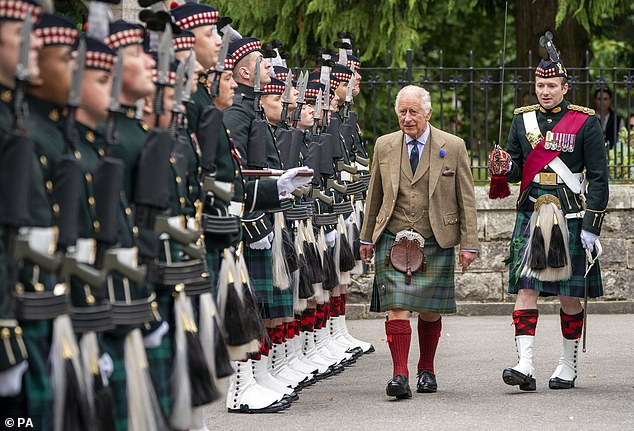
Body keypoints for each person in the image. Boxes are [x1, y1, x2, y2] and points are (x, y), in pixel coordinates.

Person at [496, 45, 608, 392]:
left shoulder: (584, 122)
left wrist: (591, 227)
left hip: (570, 216)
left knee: (568, 297)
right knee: (525, 289)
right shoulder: (522, 120)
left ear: (564, 87)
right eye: (540, 86)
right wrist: (505, 166)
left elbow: (600, 177)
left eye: (551, 86)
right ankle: (525, 365)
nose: (544, 92)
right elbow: (516, 173)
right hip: (532, 214)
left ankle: (567, 364)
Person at [359, 84, 478, 399]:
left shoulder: (452, 146)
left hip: (434, 237)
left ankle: (427, 368)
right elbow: (374, 195)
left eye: (413, 112)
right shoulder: (384, 145)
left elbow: (466, 197)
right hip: (391, 235)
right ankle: (400, 374)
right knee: (396, 307)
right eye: (402, 112)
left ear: (428, 112)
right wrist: (366, 237)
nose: (407, 118)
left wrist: (469, 243)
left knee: (429, 310)